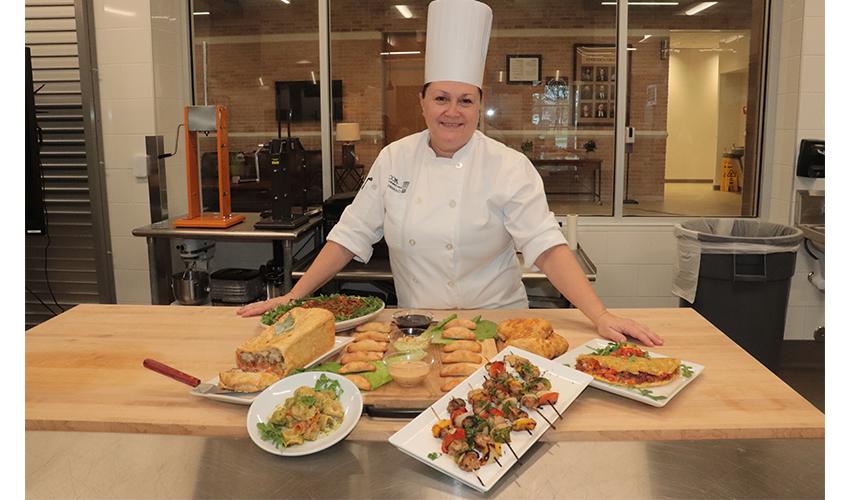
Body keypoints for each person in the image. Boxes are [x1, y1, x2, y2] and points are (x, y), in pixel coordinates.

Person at [238, 0, 662, 347]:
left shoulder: (509, 165)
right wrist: (294, 296)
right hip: (418, 328)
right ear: (422, 103)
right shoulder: (394, 159)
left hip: (500, 328)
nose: (452, 111)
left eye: (465, 100)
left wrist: (601, 316)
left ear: (479, 106)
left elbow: (547, 247)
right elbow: (349, 236)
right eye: (441, 98)